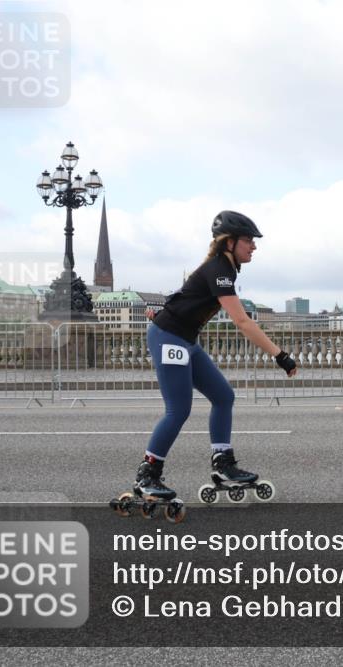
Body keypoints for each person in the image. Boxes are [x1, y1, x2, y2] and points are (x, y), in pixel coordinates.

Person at [133, 211, 297, 501]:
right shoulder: (220, 268)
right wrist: (279, 355)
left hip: (185, 339)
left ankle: (222, 463)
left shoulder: (223, 268)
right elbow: (243, 321)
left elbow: (185, 294)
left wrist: (165, 308)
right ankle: (148, 474)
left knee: (223, 396)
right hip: (169, 337)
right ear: (230, 242)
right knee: (178, 410)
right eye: (249, 241)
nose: (254, 246)